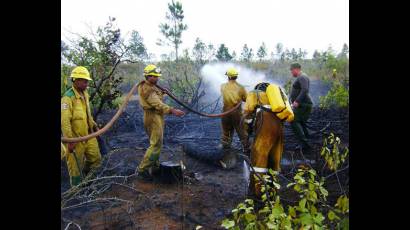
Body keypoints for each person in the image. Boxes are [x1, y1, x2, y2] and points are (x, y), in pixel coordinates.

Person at [136, 64, 185, 180]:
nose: (157, 78)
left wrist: (163, 92)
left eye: (157, 76)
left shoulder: (150, 86)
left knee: (155, 143)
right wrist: (172, 110)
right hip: (153, 116)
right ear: (147, 76)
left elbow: (156, 96)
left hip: (155, 115)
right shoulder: (148, 89)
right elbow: (157, 104)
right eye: (154, 76)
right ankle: (142, 170)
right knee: (156, 144)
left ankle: (155, 167)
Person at [61, 66, 102, 186]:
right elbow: (64, 121)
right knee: (75, 167)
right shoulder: (67, 98)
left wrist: (94, 125)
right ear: (75, 80)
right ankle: (77, 192)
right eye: (84, 81)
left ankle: (89, 180)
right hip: (76, 139)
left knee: (96, 159)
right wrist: (70, 140)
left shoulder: (85, 94)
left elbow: (87, 113)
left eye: (87, 81)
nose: (86, 83)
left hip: (89, 135)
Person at [243, 82, 284, 197]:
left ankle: (258, 194)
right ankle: (273, 191)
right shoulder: (276, 98)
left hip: (265, 126)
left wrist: (247, 130)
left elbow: (247, 112)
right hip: (279, 127)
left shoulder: (254, 94)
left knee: (259, 159)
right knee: (274, 160)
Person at [219, 67, 250, 168]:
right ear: (236, 76)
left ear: (228, 76)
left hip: (225, 112)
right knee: (242, 131)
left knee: (226, 132)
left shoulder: (222, 86)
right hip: (236, 113)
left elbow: (224, 93)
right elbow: (246, 99)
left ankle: (225, 151)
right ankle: (247, 151)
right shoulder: (241, 87)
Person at [289, 63, 313, 154]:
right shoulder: (301, 77)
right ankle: (306, 142)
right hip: (303, 104)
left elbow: (305, 89)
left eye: (291, 70)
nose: (291, 72)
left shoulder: (302, 77)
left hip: (303, 104)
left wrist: (297, 101)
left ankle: (304, 144)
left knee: (293, 120)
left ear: (296, 69)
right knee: (301, 122)